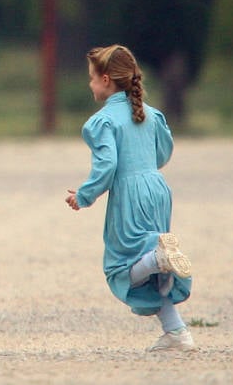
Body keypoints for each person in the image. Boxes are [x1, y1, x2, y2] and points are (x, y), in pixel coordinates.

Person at [65, 45, 195, 352]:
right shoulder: (151, 114)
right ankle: (176, 332)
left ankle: (157, 259)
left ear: (106, 79)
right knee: (150, 262)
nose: (89, 84)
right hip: (157, 189)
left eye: (92, 77)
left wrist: (85, 195)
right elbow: (163, 153)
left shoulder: (100, 122)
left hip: (129, 194)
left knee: (121, 265)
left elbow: (107, 165)